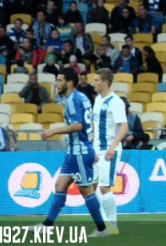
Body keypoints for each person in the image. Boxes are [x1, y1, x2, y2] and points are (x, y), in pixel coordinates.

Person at [33, 69, 110, 236]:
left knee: (86, 190)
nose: (56, 83)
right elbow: (89, 124)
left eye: (60, 80)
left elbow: (78, 125)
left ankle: (102, 228)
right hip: (75, 151)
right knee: (60, 185)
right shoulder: (82, 97)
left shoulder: (72, 100)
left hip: (79, 152)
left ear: (69, 82)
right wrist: (90, 146)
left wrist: (53, 131)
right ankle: (47, 225)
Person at [90, 68, 127, 233]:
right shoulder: (97, 100)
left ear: (105, 82)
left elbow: (124, 127)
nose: (93, 83)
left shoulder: (116, 102)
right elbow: (94, 123)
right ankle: (103, 225)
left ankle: (112, 225)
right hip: (96, 149)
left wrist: (112, 147)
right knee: (90, 188)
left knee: (104, 187)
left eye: (96, 80)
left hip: (109, 150)